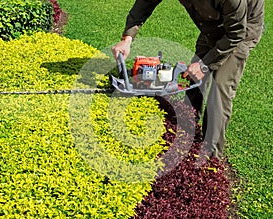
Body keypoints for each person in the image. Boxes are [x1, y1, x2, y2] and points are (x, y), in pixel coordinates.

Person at [111, 0, 264, 160]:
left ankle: (211, 158)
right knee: (193, 77)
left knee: (219, 90)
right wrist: (127, 39)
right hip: (211, 27)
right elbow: (144, 4)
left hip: (242, 30)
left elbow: (236, 34)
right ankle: (186, 128)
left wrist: (204, 65)